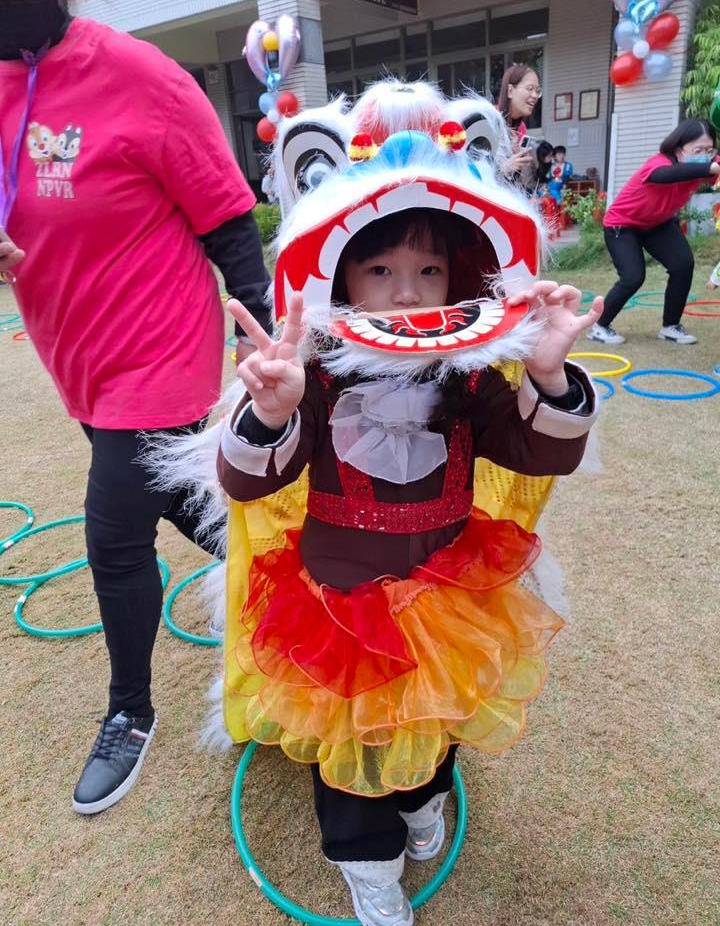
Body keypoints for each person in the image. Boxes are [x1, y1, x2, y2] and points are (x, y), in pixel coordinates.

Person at [209, 81, 600, 926]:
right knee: (353, 745)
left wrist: (546, 374)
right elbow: (248, 481)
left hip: (447, 597)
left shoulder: (470, 381)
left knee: (438, 719)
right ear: (341, 276)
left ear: (460, 276)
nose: (405, 292)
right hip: (341, 606)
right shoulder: (315, 380)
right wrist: (271, 412)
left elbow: (542, 452)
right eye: (380, 270)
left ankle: (425, 801)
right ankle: (370, 866)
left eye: (428, 272)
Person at [0, 0, 271, 814]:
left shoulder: (136, 73)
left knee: (115, 534)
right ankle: (298, 571)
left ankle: (129, 713)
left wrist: (257, 332)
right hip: (76, 356)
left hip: (160, 345)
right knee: (182, 498)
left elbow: (227, 215)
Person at [589, 118, 720, 345]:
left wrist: (710, 164)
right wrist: (708, 167)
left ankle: (670, 326)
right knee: (633, 277)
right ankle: (599, 326)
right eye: (698, 150)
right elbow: (664, 175)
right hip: (623, 224)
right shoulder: (659, 163)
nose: (705, 155)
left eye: (709, 150)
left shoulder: (709, 162)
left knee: (683, 265)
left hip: (658, 224)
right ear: (678, 149)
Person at [497, 63, 542, 182]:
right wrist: (504, 167)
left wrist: (516, 157)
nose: (535, 96)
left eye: (537, 91)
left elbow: (516, 179)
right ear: (510, 90)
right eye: (530, 89)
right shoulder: (489, 119)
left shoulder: (521, 128)